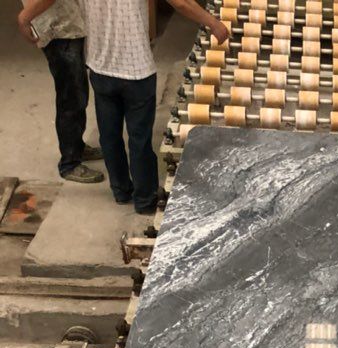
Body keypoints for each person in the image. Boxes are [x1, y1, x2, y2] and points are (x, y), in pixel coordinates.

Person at [18, 0, 229, 214]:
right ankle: (145, 200)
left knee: (109, 136)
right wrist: (213, 23)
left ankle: (121, 191)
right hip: (137, 71)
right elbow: (181, 3)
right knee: (139, 141)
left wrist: (25, 17)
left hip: (100, 69)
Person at [18, 0, 104, 184]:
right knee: (71, 97)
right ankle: (69, 163)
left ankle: (76, 147)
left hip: (63, 25)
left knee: (76, 94)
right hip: (58, 30)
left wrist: (25, 18)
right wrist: (24, 18)